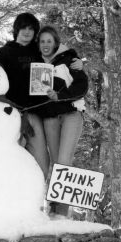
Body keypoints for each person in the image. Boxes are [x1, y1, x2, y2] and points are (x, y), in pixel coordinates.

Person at [0, 12, 82, 180]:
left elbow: (62, 52)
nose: (27, 32)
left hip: (35, 113)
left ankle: (38, 200)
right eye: (23, 28)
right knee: (7, 161)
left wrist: (76, 60)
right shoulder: (3, 53)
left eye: (31, 29)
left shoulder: (38, 49)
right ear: (16, 30)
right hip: (11, 113)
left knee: (42, 162)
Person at [35, 25, 88, 216]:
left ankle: (62, 213)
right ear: (38, 44)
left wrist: (61, 95)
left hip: (71, 114)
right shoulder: (35, 64)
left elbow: (82, 87)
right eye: (42, 41)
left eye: (49, 41)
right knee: (57, 164)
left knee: (64, 162)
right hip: (49, 118)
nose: (46, 44)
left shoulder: (70, 59)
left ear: (56, 43)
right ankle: (52, 210)